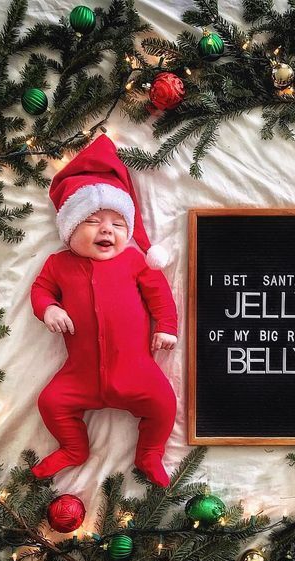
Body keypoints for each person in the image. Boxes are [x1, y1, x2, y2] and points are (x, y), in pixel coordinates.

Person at [29, 134, 178, 488]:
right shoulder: (59, 263)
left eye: (118, 223)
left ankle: (149, 454)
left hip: (136, 372)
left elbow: (160, 294)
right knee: (50, 402)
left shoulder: (133, 261)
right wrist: (48, 309)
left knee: (164, 404)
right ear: (69, 229)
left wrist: (167, 327)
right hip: (80, 375)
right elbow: (40, 290)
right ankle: (73, 448)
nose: (107, 229)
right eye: (93, 221)